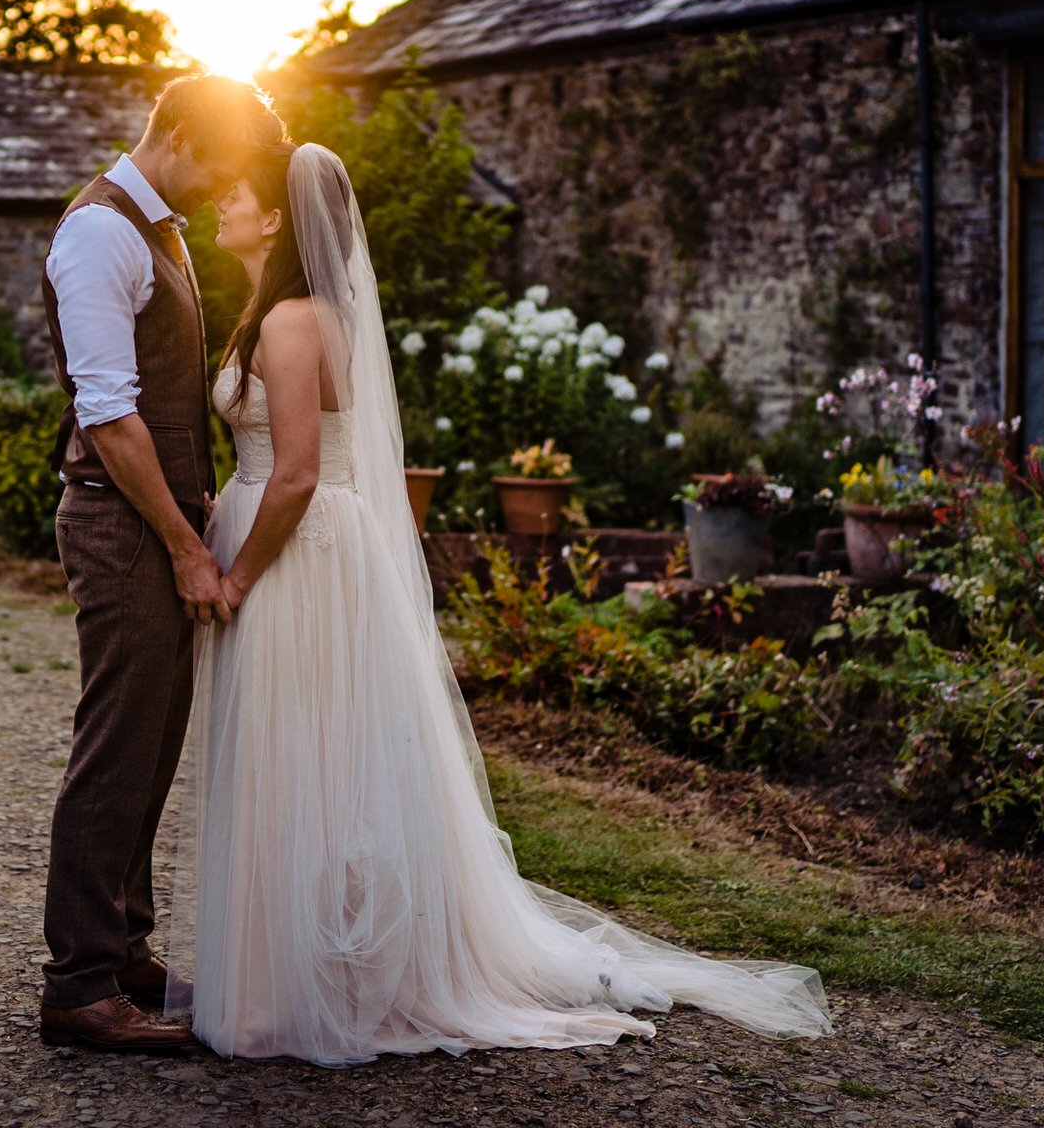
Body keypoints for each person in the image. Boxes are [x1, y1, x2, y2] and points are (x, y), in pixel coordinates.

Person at [172, 141, 834, 1065]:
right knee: (309, 759)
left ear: (277, 218)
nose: (220, 202)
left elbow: (296, 473)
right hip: (303, 538)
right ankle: (304, 969)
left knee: (301, 756)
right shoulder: (285, 312)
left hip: (298, 553)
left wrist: (238, 573)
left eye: (236, 193)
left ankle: (308, 986)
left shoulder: (289, 320)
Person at [36, 72, 287, 1052]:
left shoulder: (157, 228)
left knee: (151, 744)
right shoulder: (101, 232)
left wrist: (194, 520)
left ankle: (125, 949)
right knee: (116, 748)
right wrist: (185, 547)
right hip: (122, 525)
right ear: (178, 135)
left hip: (159, 521)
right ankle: (78, 985)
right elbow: (109, 416)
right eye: (221, 161)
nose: (226, 183)